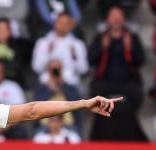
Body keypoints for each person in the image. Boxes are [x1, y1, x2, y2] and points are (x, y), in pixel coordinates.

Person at [87, 5, 146, 141]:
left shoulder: (132, 37)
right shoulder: (100, 38)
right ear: (107, 20)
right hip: (105, 81)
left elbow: (141, 60)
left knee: (134, 93)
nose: (115, 20)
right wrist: (103, 47)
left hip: (127, 82)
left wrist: (130, 48)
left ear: (123, 20)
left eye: (118, 17)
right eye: (113, 17)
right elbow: (90, 60)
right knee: (97, 92)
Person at [31, 13, 88, 87]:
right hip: (47, 85)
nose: (63, 26)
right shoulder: (43, 43)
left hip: (70, 85)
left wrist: (74, 57)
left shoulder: (78, 45)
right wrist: (47, 53)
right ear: (55, 23)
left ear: (71, 26)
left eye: (66, 23)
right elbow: (36, 68)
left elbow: (83, 70)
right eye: (60, 22)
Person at [33, 59, 82, 131]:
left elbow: (76, 103)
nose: (55, 73)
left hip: (68, 125)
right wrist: (49, 89)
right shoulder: (42, 89)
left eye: (57, 70)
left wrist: (62, 85)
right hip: (45, 126)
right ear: (48, 71)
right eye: (52, 70)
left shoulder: (70, 88)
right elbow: (37, 106)